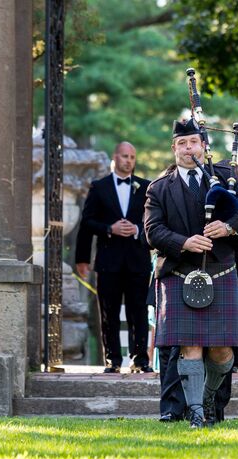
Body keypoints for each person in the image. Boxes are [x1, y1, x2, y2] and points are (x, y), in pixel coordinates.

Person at [145, 118, 238, 428]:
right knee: (190, 345)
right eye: (182, 143)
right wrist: (183, 242)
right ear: (174, 149)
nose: (188, 148)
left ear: (203, 145)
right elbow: (152, 231)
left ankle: (209, 398)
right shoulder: (159, 188)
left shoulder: (224, 177)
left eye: (193, 142)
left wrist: (228, 227)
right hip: (180, 272)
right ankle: (196, 412)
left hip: (222, 271)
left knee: (223, 351)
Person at [75, 141, 153, 373]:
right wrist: (110, 229)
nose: (128, 160)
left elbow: (153, 221)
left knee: (138, 311)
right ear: (115, 157)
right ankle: (113, 361)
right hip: (108, 260)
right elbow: (87, 222)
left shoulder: (146, 187)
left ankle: (140, 360)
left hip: (138, 260)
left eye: (132, 157)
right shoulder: (99, 187)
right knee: (107, 312)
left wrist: (137, 229)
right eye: (124, 156)